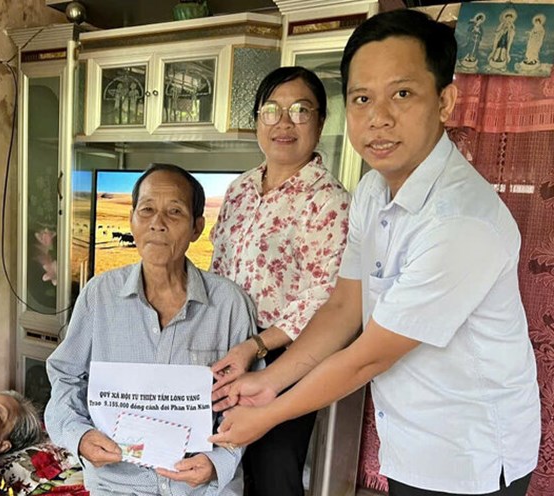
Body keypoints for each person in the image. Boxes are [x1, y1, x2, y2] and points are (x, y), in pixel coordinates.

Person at [210, 9, 540, 496]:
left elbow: (367, 358)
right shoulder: (372, 191)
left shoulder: (460, 222)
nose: (379, 118)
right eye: (363, 98)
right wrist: (267, 380)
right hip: (409, 440)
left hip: (471, 454)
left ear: (446, 100)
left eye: (402, 94)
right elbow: (345, 306)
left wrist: (267, 410)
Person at [45, 163, 257, 495]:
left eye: (174, 212)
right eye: (147, 210)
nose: (157, 223)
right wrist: (79, 436)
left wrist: (219, 461)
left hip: (202, 489)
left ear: (197, 227)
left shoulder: (229, 303)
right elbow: (65, 376)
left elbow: (248, 401)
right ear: (132, 219)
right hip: (117, 484)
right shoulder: (98, 295)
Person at [208, 66, 349, 496]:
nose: (284, 123)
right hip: (228, 350)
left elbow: (323, 294)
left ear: (321, 123)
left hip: (288, 358)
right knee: (219, 465)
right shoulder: (239, 190)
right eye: (272, 110)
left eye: (300, 110)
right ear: (257, 121)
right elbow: (218, 267)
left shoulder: (329, 201)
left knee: (273, 475)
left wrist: (258, 345)